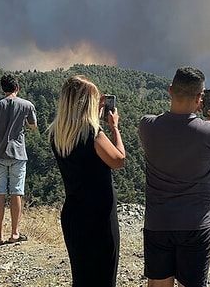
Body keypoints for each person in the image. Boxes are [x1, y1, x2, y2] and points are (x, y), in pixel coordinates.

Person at [138, 66, 210, 287]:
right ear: (200, 98)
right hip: (196, 223)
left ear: (169, 91)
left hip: (158, 221)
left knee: (157, 285)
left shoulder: (147, 125)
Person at [47, 75, 125, 286]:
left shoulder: (57, 133)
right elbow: (119, 160)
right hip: (99, 217)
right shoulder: (93, 134)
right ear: (87, 104)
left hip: (74, 214)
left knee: (81, 278)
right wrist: (114, 127)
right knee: (104, 278)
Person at [0, 74, 37, 244]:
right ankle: (14, 233)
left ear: (2, 88)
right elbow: (33, 126)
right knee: (16, 192)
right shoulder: (27, 105)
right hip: (18, 153)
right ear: (17, 88)